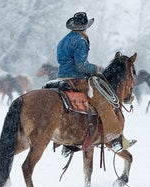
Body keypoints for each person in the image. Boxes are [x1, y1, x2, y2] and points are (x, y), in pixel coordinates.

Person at [56, 11, 136, 152]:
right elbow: (81, 65)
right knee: (104, 102)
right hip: (77, 79)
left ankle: (68, 142)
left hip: (61, 77)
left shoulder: (64, 40)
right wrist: (98, 69)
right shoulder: (80, 41)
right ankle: (114, 140)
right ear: (84, 27)